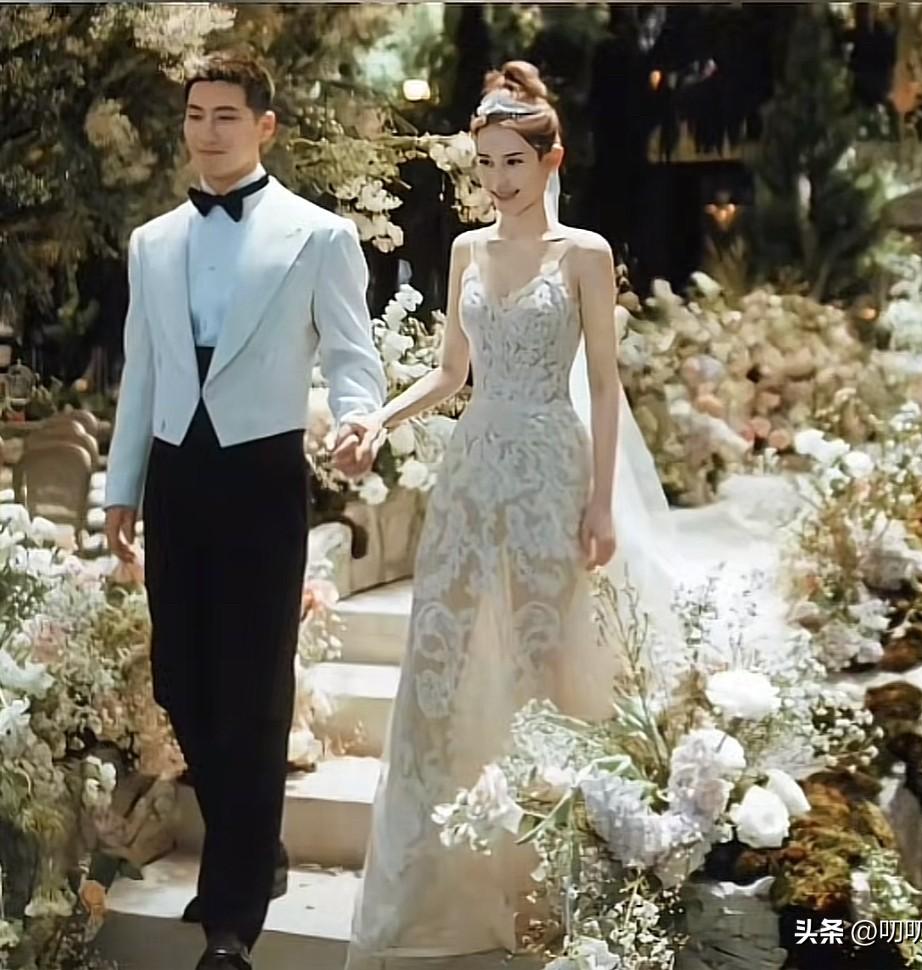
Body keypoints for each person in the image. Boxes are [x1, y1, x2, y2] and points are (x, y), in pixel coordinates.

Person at [102, 52, 386, 970]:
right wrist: (121, 488)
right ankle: (254, 845)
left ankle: (231, 922)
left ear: (264, 126)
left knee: (255, 686)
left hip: (263, 473)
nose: (208, 131)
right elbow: (143, 370)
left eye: (226, 115)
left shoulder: (319, 235)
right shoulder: (152, 243)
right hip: (176, 474)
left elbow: (352, 354)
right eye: (196, 114)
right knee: (181, 679)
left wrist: (360, 421)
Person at [342, 60, 629, 968]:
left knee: (544, 655)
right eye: (487, 163)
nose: (499, 181)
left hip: (550, 465)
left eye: (514, 162)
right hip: (472, 469)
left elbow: (605, 386)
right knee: (448, 651)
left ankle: (554, 877)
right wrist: (379, 419)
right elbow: (450, 373)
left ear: (550, 160)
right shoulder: (468, 250)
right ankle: (444, 872)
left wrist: (602, 501)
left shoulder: (584, 255)